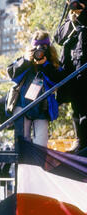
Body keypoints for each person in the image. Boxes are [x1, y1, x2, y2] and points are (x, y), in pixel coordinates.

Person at [7, 31, 64, 148]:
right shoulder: (24, 60)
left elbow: (59, 80)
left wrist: (46, 65)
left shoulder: (53, 64)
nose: (39, 51)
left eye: (43, 47)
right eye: (36, 48)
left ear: (49, 48)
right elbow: (11, 74)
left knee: (41, 144)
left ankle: (39, 166)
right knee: (22, 143)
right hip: (22, 105)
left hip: (43, 108)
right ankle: (23, 166)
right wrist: (26, 61)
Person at [54, 0, 87, 152]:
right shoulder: (71, 12)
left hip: (85, 66)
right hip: (73, 68)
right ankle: (80, 141)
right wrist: (71, 20)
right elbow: (58, 38)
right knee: (77, 107)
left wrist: (83, 13)